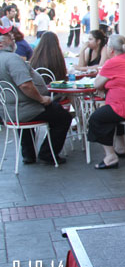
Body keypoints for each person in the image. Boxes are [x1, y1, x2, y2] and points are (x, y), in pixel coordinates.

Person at [0, 28, 72, 165]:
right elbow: (25, 85)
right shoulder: (12, 59)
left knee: (28, 112)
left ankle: (28, 154)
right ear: (1, 43)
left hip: (10, 111)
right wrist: (41, 99)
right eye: (8, 36)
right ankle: (48, 153)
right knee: (64, 117)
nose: (13, 37)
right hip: (27, 109)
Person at [87, 34, 125, 169]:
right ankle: (120, 148)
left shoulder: (112, 62)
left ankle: (110, 156)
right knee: (110, 113)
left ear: (111, 50)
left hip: (124, 108)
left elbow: (96, 84)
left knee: (97, 118)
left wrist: (105, 86)